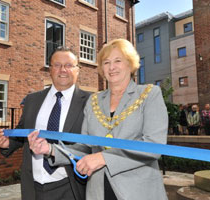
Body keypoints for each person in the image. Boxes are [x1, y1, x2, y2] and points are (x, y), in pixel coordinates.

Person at [28, 39, 169, 200]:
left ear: (130, 64)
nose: (112, 67)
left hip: (139, 191)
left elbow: (153, 145)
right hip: (98, 191)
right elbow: (85, 148)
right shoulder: (94, 100)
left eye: (118, 61)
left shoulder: (150, 94)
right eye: (106, 62)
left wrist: (103, 158)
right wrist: (51, 150)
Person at [0, 47, 90, 200]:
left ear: (78, 70)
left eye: (69, 65)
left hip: (71, 186)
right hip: (33, 187)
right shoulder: (32, 100)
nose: (63, 70)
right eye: (57, 65)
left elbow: (92, 147)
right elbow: (22, 132)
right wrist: (7, 143)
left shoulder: (91, 102)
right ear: (50, 69)